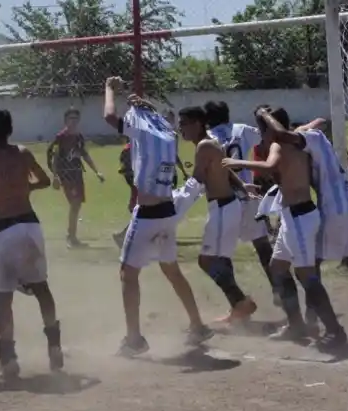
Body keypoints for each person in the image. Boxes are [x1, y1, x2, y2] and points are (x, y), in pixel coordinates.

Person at [243, 107, 348, 341]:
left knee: (309, 267)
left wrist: (264, 114)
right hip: (347, 206)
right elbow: (311, 126)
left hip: (334, 210)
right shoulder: (314, 138)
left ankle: (318, 325)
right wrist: (315, 122)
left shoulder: (303, 140)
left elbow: (287, 135)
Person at [102, 77, 212, 356]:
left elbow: (109, 116)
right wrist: (144, 103)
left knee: (128, 274)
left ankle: (134, 338)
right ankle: (198, 324)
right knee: (171, 270)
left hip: (149, 213)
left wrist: (110, 89)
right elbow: (154, 116)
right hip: (167, 212)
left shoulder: (143, 131)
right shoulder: (167, 131)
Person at [222, 107, 347, 348]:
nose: (261, 136)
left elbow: (269, 166)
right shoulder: (296, 136)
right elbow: (316, 121)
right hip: (293, 216)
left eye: (261, 130)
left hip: (300, 217)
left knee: (306, 275)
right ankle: (296, 324)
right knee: (278, 267)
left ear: (268, 128)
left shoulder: (280, 143)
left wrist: (236, 162)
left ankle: (335, 330)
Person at [0, 109, 63, 381]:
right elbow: (45, 180)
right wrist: (25, 188)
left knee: (4, 295)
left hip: (3, 229)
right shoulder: (23, 153)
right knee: (41, 287)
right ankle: (55, 345)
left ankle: (8, 357)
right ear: (10, 130)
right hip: (29, 224)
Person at [178, 106, 258, 323]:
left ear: (197, 124)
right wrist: (243, 186)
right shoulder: (210, 143)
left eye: (183, 123)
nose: (180, 128)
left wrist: (174, 204)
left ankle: (241, 302)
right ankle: (238, 309)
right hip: (226, 206)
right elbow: (226, 168)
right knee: (221, 259)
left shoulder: (204, 146)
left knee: (206, 261)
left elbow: (196, 181)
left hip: (223, 208)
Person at [204, 100, 280, 306]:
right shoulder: (241, 129)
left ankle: (236, 302)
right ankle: (279, 290)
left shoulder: (208, 138)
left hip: (226, 199)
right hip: (248, 195)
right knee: (262, 245)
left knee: (221, 253)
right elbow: (266, 137)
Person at [46, 107, 104, 248]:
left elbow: (85, 155)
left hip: (77, 174)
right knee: (75, 204)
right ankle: (71, 238)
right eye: (71, 118)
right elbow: (55, 158)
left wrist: (97, 172)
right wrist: (55, 177)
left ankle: (72, 236)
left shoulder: (78, 137)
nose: (73, 121)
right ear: (65, 120)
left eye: (76, 118)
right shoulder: (61, 137)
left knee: (76, 205)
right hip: (67, 175)